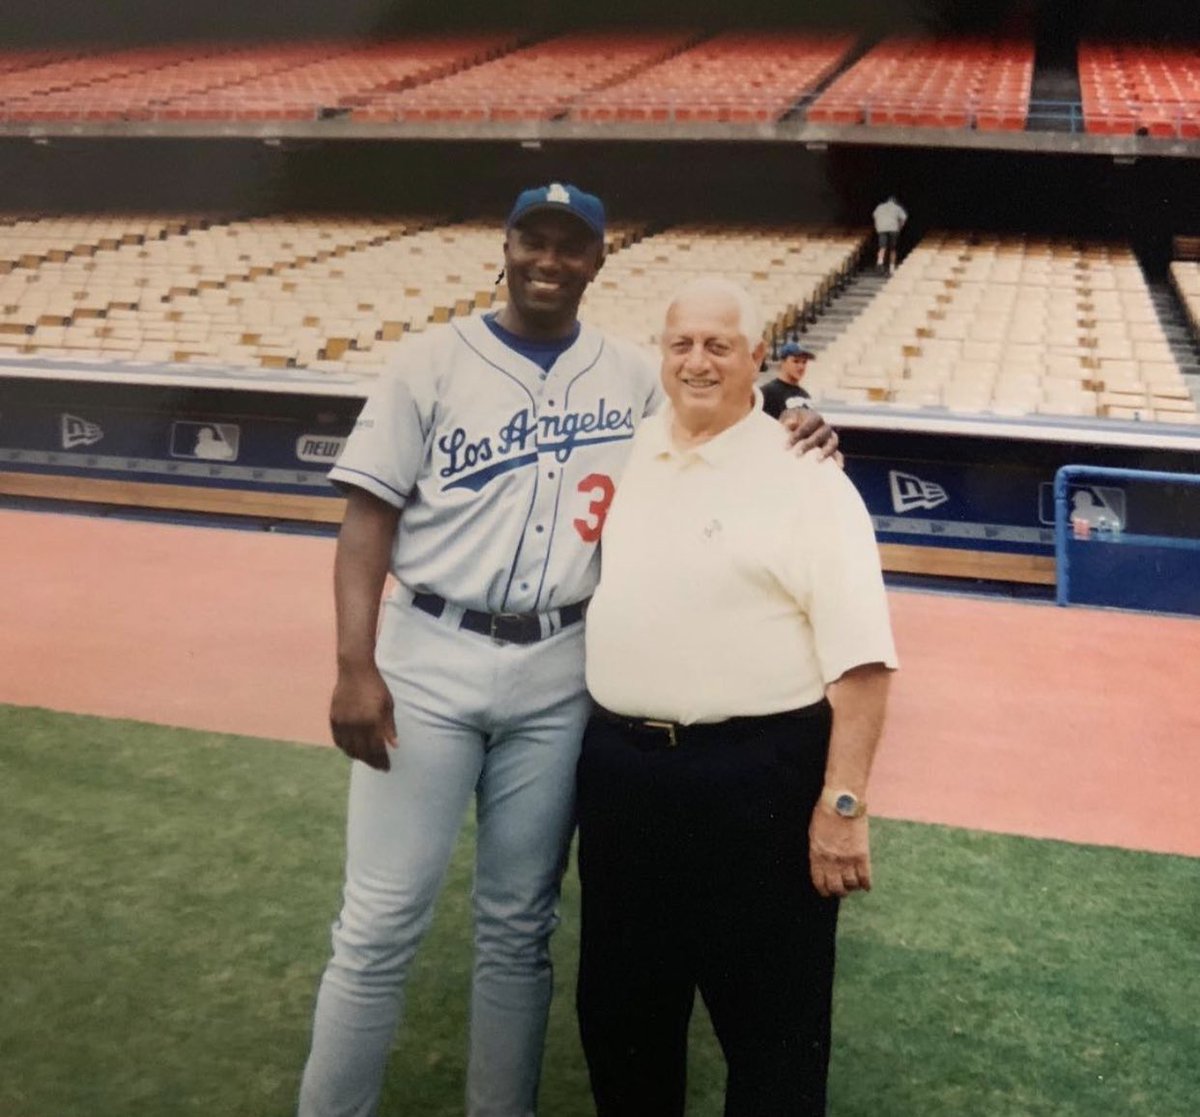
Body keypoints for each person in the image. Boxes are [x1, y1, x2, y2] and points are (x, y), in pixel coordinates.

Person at [297, 185, 838, 1117]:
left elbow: (724, 396)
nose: (549, 259)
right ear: (504, 247)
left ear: (598, 260)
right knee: (381, 922)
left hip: (559, 670)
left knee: (519, 925)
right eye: (533, 240)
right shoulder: (429, 360)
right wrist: (355, 664)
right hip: (428, 650)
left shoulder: (627, 372)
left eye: (571, 245)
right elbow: (366, 517)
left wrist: (799, 410)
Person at [576, 276, 898, 1117]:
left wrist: (844, 802)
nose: (697, 361)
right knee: (624, 1021)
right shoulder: (625, 452)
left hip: (757, 779)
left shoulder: (806, 472)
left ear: (759, 356)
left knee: (773, 1033)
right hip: (623, 776)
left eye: (720, 344)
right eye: (681, 343)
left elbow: (862, 661)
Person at [760, 339, 814, 419]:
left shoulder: (805, 395)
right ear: (783, 362)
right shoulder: (767, 392)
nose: (801, 367)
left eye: (804, 362)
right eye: (796, 361)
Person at [872, 194, 907, 274]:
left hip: (882, 228)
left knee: (882, 247)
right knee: (893, 249)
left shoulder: (880, 207)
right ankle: (892, 267)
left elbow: (875, 216)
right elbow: (903, 218)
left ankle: (880, 262)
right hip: (893, 229)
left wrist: (877, 226)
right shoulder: (897, 208)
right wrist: (900, 227)